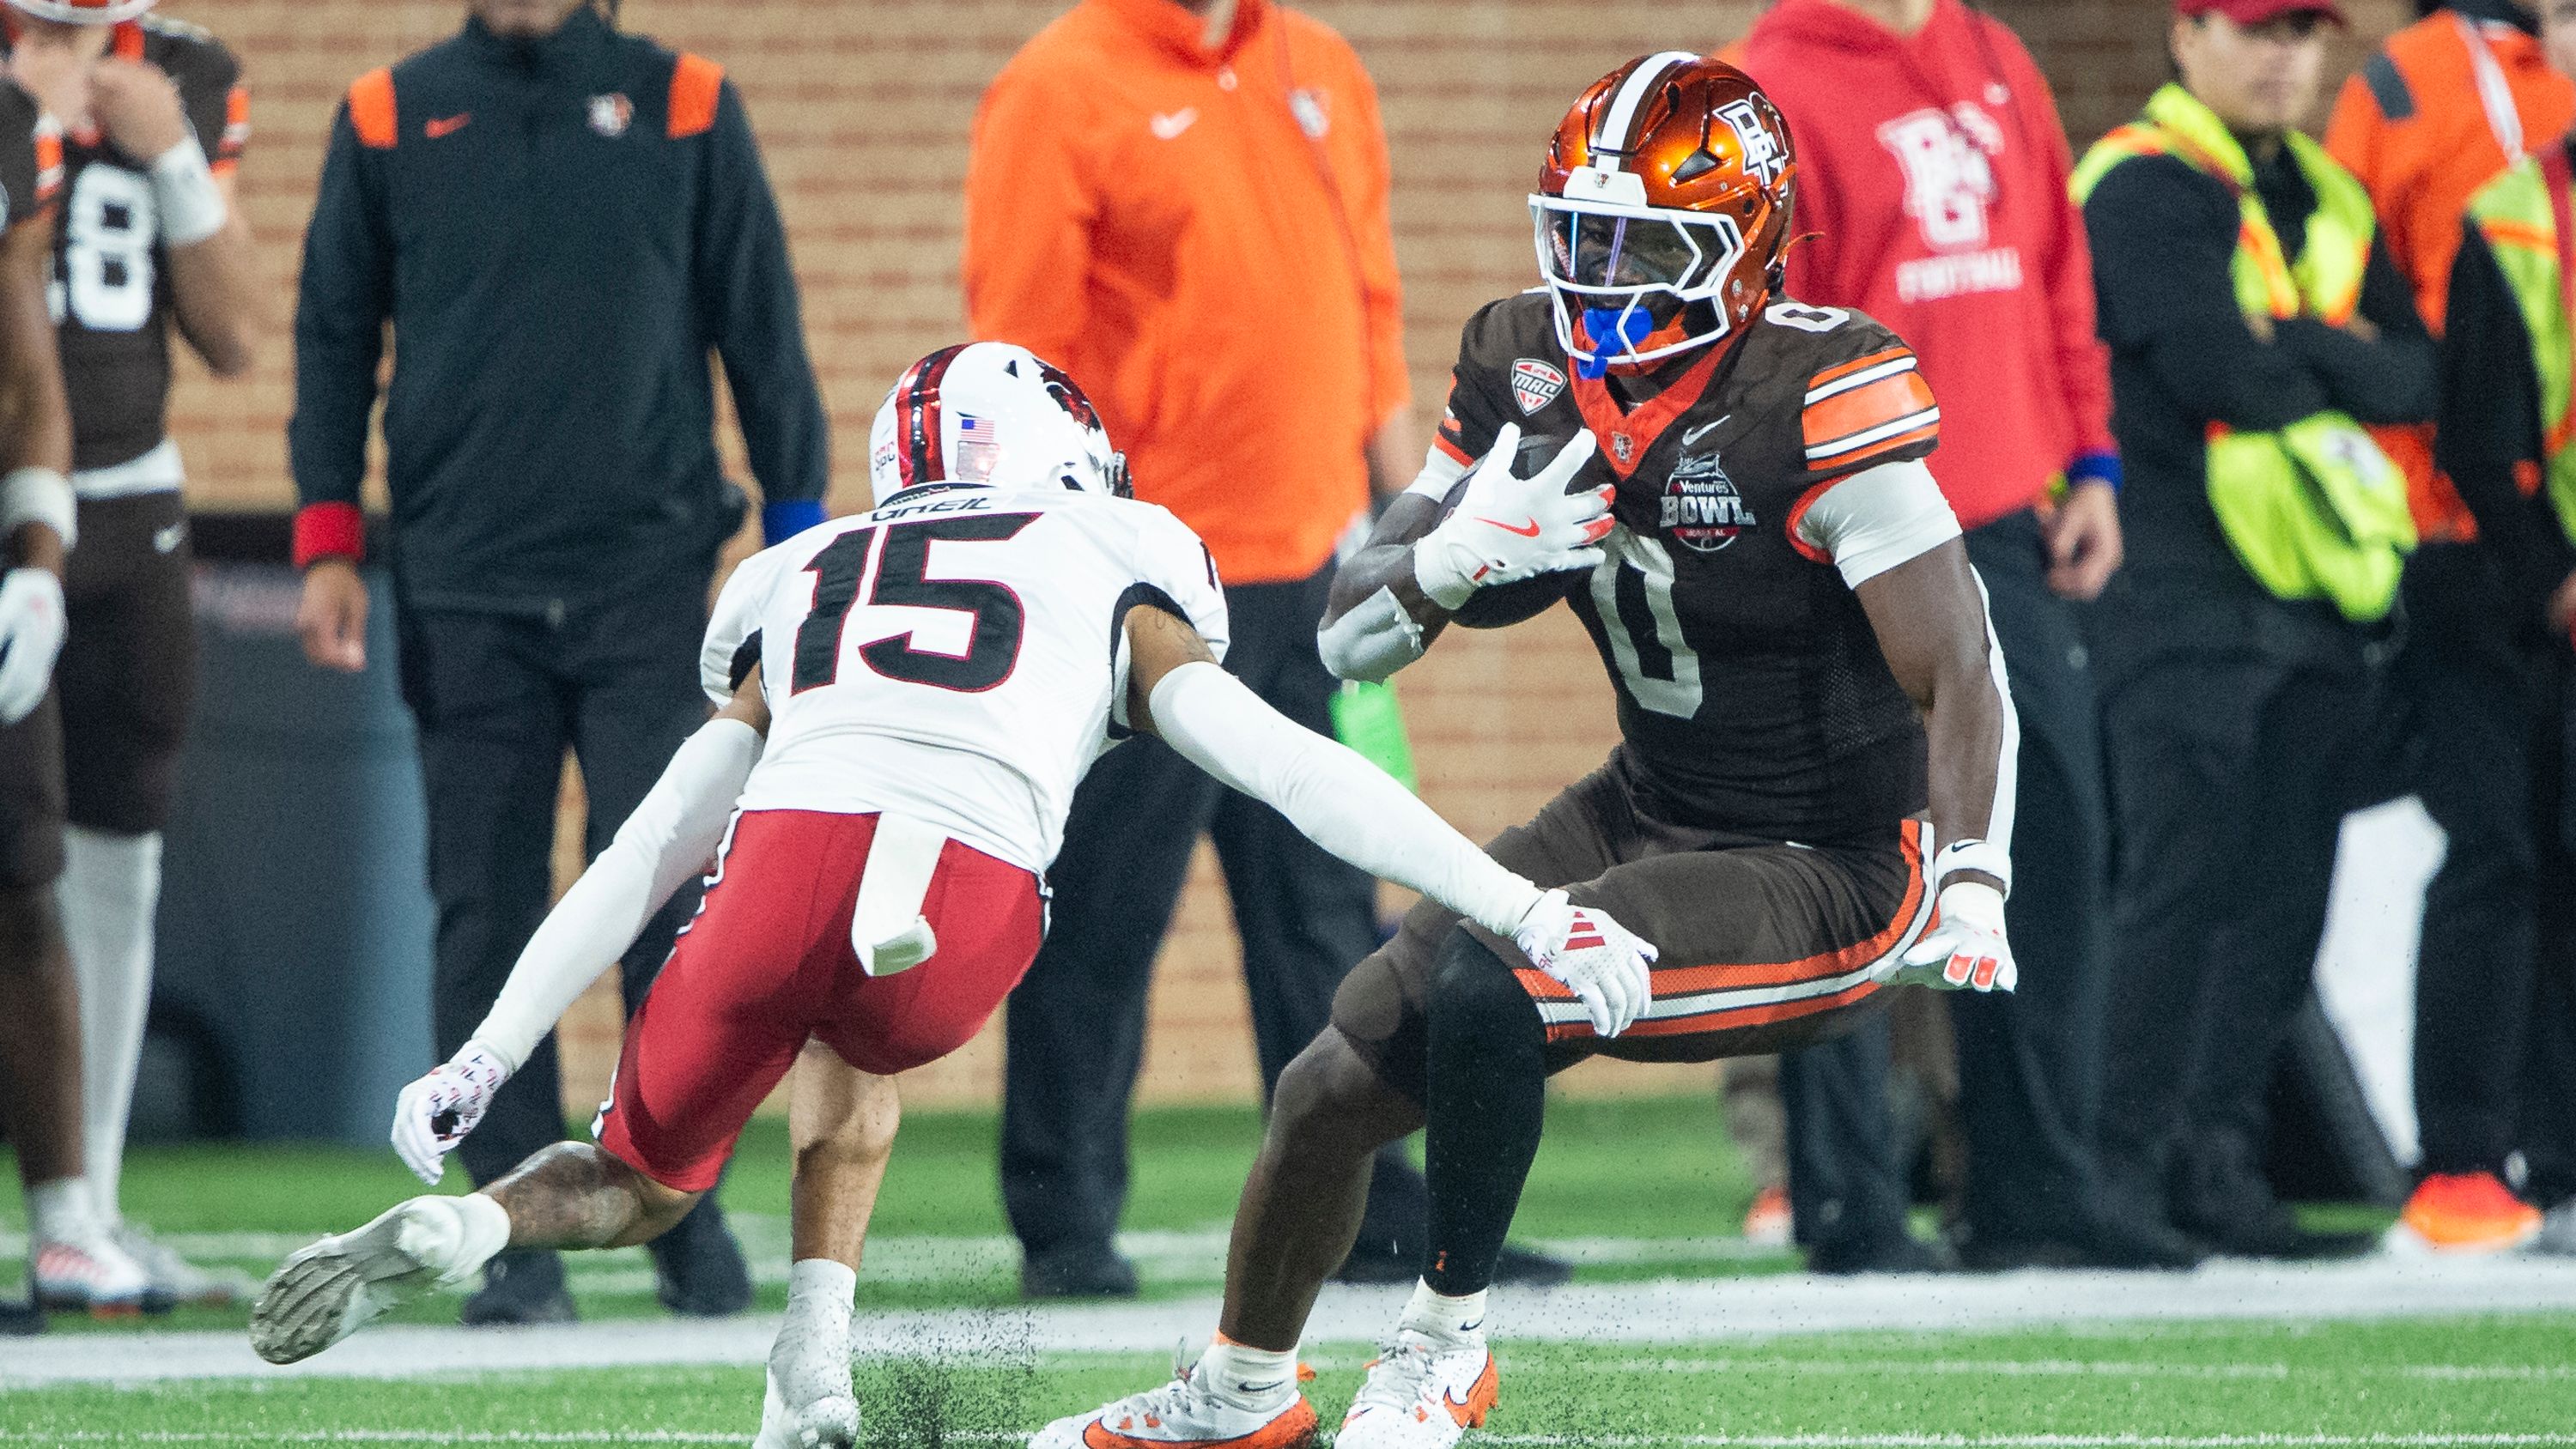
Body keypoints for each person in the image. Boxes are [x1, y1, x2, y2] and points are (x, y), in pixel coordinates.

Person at [245, 343, 1658, 1449]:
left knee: (640, 1178)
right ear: (1062, 449)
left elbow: (644, 852)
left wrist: (486, 1054)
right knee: (871, 1025)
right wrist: (1521, 907)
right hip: (951, 914)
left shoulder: (798, 575)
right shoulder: (1117, 551)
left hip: (768, 887)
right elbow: (1291, 770)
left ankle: (488, 1227)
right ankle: (809, 1361)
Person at [1042, 55, 2024, 1449]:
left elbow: (1963, 665)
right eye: (1581, 238)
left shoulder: (1823, 392)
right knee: (1328, 1082)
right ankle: (1240, 1396)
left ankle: (1447, 1344)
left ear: (1740, 245)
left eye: (1641, 249)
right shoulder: (1520, 362)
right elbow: (1346, 639)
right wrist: (1443, 561)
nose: (1598, 281)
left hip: (1836, 861)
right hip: (1647, 802)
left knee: (1506, 975)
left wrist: (1973, 872)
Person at [962, 0, 1547, 1298]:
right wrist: (1064, 576)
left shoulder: (1323, 66)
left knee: (1329, 912)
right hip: (1142, 590)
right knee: (1103, 913)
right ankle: (1063, 1222)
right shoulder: (1061, 87)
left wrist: (1414, 541)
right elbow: (1015, 365)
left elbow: (1370, 322)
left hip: (1315, 572)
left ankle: (1373, 1202)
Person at [287, 0, 829, 1325]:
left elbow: (761, 329)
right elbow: (332, 340)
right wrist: (326, 542)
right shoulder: (385, 114)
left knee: (677, 913)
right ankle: (510, 1242)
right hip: (462, 586)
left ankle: (676, 1210)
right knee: (483, 903)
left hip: (652, 586)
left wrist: (804, 547)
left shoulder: (688, 101)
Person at [1741, 0, 2132, 1272]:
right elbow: (1758, 338)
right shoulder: (1766, 88)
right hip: (1849, 533)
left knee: (2055, 851)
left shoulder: (1999, 54)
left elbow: (2052, 270)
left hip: (2012, 523)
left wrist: (2089, 455)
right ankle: (1852, 1208)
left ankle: (2032, 1192)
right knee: (1852, 870)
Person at [2075, 0, 2437, 1261]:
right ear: (2185, 36)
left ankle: (2217, 1168)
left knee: (2283, 900)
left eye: (2304, 31)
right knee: (2175, 890)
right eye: (2256, 28)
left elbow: (2419, 373)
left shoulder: (2330, 193)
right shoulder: (2141, 185)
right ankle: (2114, 1173)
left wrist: (2302, 349)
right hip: (2177, 590)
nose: (2284, 54)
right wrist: (2333, 360)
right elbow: (2213, 372)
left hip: (2320, 598)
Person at [1, 0, 256, 1308]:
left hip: (131, 499)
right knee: (19, 863)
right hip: (13, 503)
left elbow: (234, 337)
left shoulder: (190, 71)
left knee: (117, 860)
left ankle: (82, 1206)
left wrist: (165, 158)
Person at [2324, 0, 2576, 1255]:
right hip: (2459, 532)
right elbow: (2363, 284)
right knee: (2495, 849)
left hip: (2522, 527)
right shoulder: (2405, 83)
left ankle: (2547, 1156)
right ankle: (2466, 1158)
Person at [2412, 0, 2576, 1255]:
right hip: (2530, 604)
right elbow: (2477, 429)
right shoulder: (2511, 218)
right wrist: (2553, 577)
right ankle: (2504, 1161)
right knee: (2516, 864)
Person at [0, 65, 155, 1326]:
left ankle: (64, 1222)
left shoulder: (13, 133)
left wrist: (39, 566)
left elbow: (33, 386)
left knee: (20, 879)